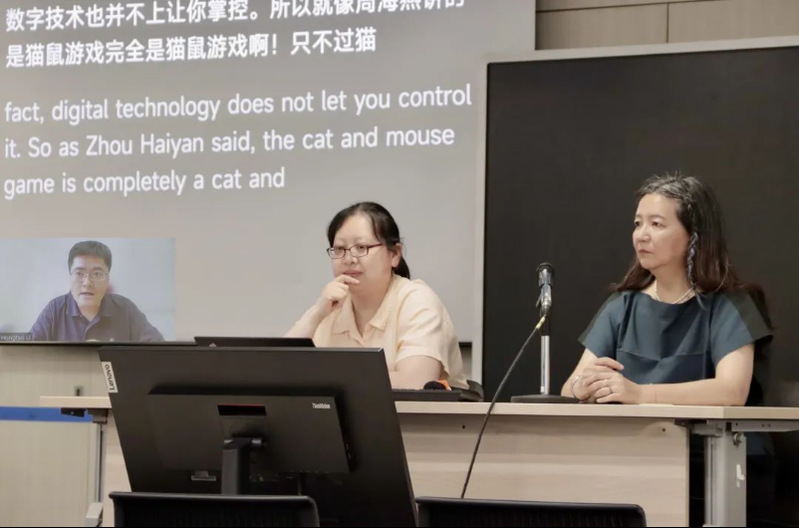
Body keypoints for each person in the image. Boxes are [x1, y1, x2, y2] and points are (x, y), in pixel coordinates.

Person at [562, 172, 772, 405]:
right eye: (638, 224)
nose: (641, 236)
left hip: (706, 430)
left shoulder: (730, 304)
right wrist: (582, 386)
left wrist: (641, 394)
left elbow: (731, 391)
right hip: (633, 430)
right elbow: (568, 390)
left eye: (656, 224)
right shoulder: (622, 306)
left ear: (694, 236)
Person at [286, 202, 468, 391]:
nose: (348, 259)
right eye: (339, 249)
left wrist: (326, 378)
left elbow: (414, 382)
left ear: (394, 254)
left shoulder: (416, 300)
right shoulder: (331, 307)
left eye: (361, 247)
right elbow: (280, 373)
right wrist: (316, 314)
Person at [30, 240, 164, 342]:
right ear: (70, 277)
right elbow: (27, 350)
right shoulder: (54, 310)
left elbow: (156, 346)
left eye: (97, 274)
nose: (87, 283)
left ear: (108, 279)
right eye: (79, 273)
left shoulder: (125, 308)